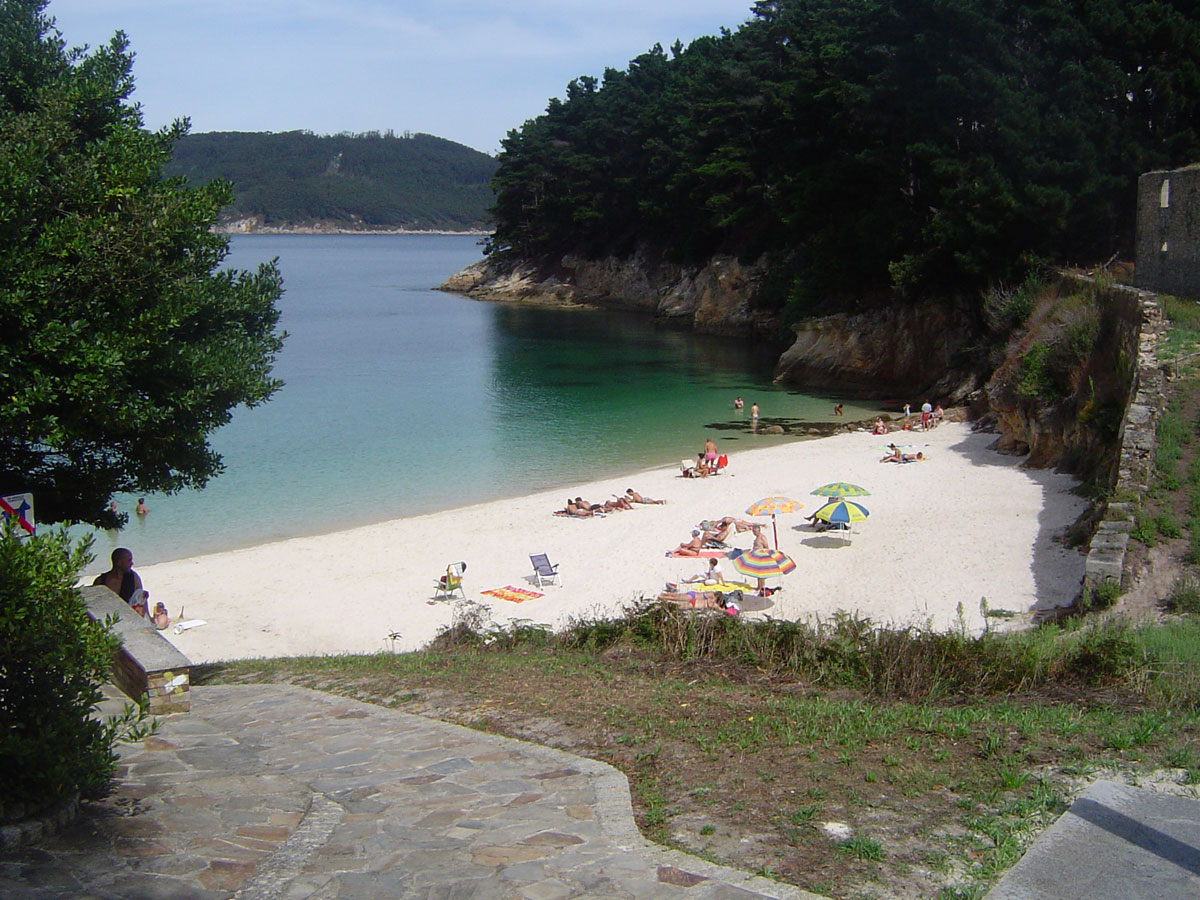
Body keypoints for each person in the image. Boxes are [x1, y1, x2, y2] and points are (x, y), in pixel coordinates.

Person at [93, 548, 148, 617]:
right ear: (119, 563)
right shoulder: (101, 581)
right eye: (129, 560)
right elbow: (96, 606)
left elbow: (141, 599)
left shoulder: (133, 577)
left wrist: (148, 618)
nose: (132, 563)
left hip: (129, 617)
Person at [658, 589, 738, 613]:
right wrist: (728, 608)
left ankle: (664, 595)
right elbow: (721, 609)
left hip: (694, 597)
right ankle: (663, 598)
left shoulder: (711, 596)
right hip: (693, 600)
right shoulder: (712, 600)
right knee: (675, 600)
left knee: (676, 597)